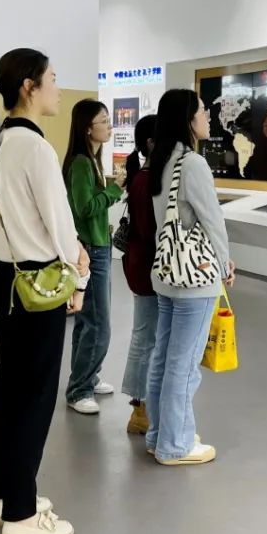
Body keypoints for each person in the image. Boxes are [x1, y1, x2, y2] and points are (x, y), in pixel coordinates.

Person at [0, 48, 88, 534]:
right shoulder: (35, 148)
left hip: (6, 280)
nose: (58, 89)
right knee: (34, 397)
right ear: (29, 86)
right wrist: (79, 277)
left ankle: (6, 496)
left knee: (11, 391)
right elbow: (60, 225)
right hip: (37, 286)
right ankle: (21, 513)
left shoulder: (2, 141)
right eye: (53, 78)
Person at [147, 89, 234, 465]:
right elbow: (213, 220)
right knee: (183, 365)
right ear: (187, 119)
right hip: (194, 278)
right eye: (202, 111)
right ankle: (175, 444)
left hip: (168, 273)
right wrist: (225, 263)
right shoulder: (193, 163)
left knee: (164, 359)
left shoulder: (160, 160)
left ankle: (159, 434)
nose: (208, 117)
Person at [62, 100, 123, 415]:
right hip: (92, 250)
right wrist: (115, 190)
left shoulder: (93, 161)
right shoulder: (82, 163)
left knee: (88, 321)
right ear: (88, 128)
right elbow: (84, 207)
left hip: (99, 246)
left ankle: (88, 376)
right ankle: (79, 389)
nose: (110, 126)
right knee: (99, 324)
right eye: (104, 121)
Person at [119, 114, 159, 434]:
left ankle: (144, 405)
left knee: (146, 335)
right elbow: (149, 232)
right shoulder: (146, 180)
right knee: (145, 337)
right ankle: (140, 408)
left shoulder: (142, 177)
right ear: (151, 143)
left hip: (142, 266)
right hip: (147, 269)